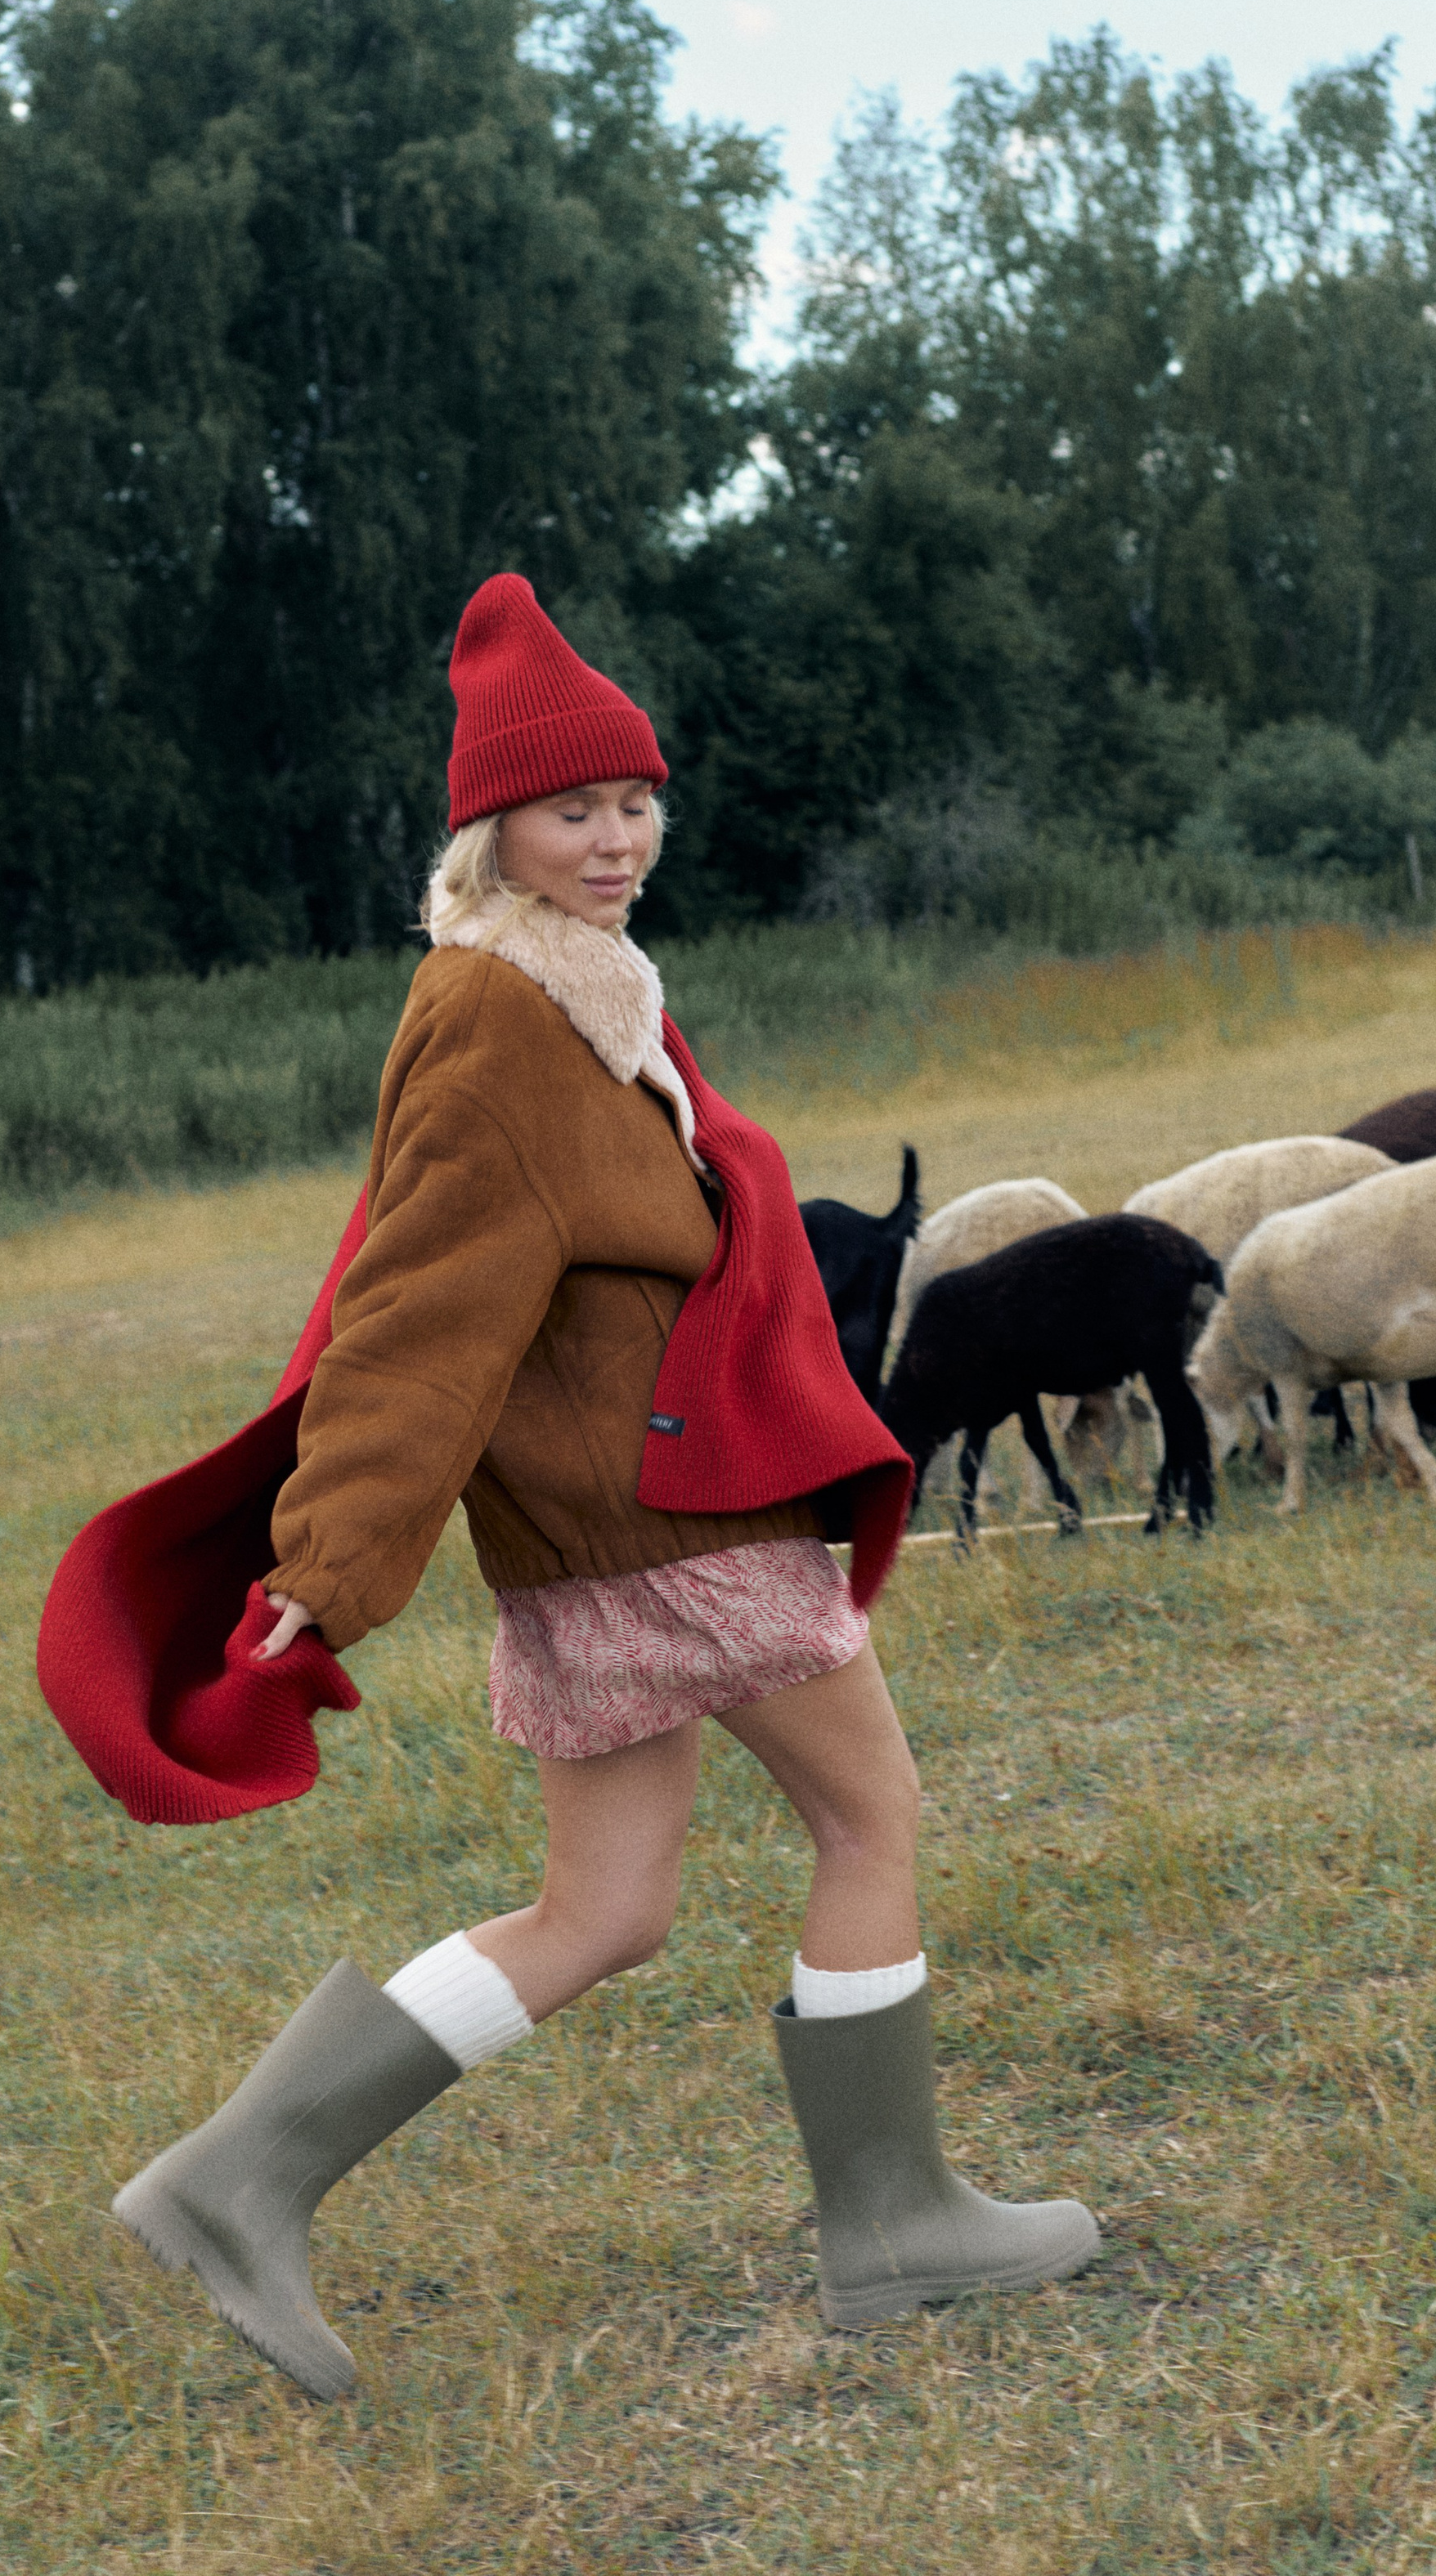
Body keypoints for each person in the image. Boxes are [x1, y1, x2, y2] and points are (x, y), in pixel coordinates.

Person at [107, 576, 1100, 2400]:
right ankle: (892, 2222)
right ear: (493, 829)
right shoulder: (494, 1012)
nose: (619, 835)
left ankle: (239, 2174)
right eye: (575, 809)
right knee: (871, 1820)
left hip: (608, 1530)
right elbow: (415, 1303)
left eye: (636, 800)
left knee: (601, 1914)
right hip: (669, 1523)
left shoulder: (584, 991)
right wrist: (330, 1560)